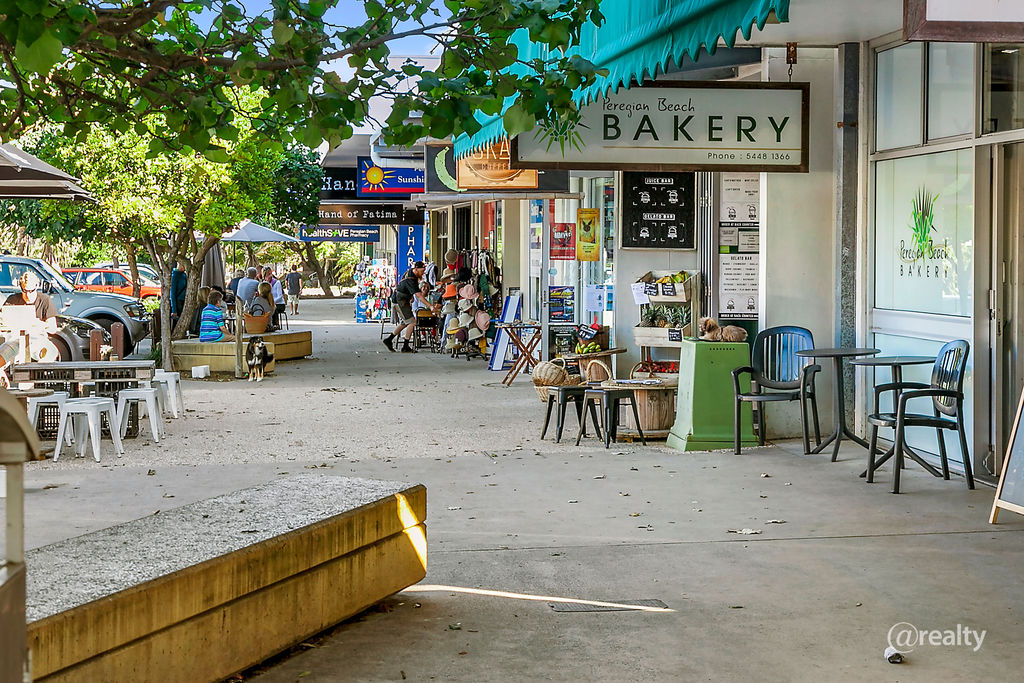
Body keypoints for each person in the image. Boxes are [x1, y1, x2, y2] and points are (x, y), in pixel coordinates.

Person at [383, 261, 428, 353]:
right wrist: (430, 306)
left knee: (404, 322)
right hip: (399, 302)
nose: (423, 273)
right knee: (412, 322)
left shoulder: (411, 275)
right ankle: (405, 346)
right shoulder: (410, 279)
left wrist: (411, 296)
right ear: (416, 269)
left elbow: (409, 290)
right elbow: (419, 296)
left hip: (401, 300)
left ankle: (389, 339)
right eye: (422, 271)